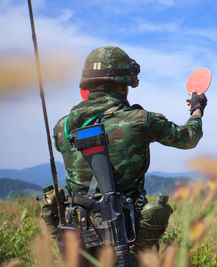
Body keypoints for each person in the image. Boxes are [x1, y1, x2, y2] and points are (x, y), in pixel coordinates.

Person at [51, 46, 207, 262]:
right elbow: (189, 138)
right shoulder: (140, 120)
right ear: (125, 85)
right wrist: (197, 109)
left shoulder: (63, 127)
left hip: (78, 240)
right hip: (126, 240)